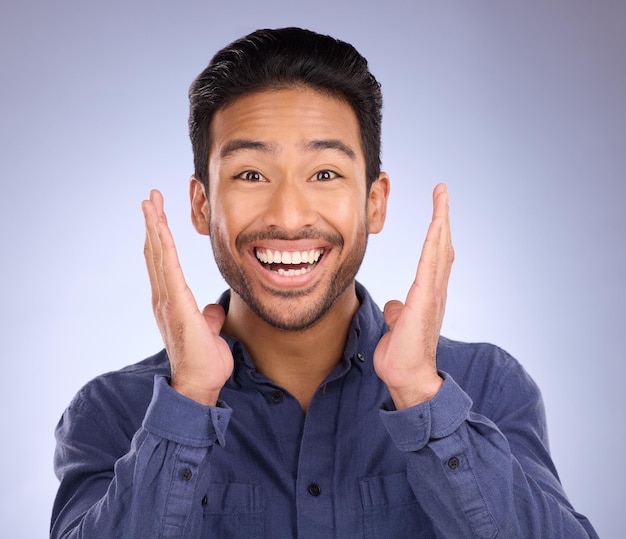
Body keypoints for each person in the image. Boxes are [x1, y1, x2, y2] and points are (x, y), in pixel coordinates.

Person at [51, 27, 598, 538]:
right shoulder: (114, 411)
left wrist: (420, 396)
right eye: (249, 175)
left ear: (375, 201)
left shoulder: (485, 386)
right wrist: (189, 398)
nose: (289, 217)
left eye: (325, 174)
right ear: (201, 205)